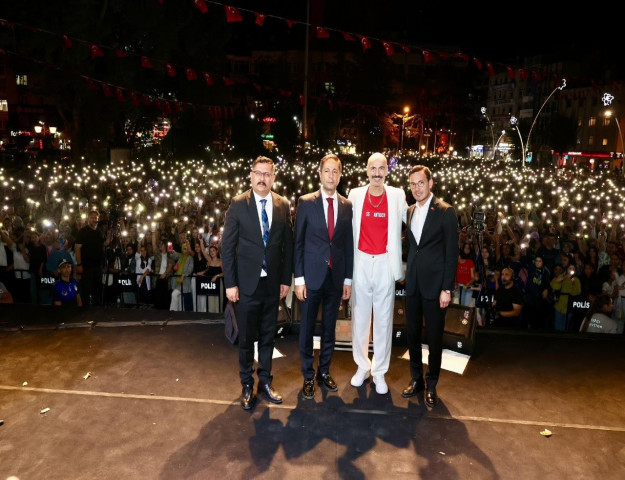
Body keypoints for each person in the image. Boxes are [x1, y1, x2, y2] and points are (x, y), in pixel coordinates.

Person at [221, 155, 293, 411]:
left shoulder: (283, 204)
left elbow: (287, 247)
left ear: (273, 177)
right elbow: (227, 246)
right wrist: (231, 283)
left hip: (272, 284)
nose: (263, 178)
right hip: (246, 285)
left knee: (267, 336)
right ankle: (246, 385)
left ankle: (265, 382)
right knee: (246, 339)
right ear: (251, 175)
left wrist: (286, 279)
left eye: (267, 174)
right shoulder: (238, 204)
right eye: (258, 173)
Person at [293, 154, 354, 400]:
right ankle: (308, 375)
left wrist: (348, 280)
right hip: (311, 279)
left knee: (330, 330)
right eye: (326, 171)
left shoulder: (347, 205)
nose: (331, 176)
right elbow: (298, 243)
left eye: (335, 172)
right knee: (307, 330)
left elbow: (347, 246)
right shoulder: (306, 202)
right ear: (319, 174)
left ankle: (324, 372)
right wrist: (299, 279)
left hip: (335, 279)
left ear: (340, 175)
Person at [347, 152, 407, 396]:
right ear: (366, 170)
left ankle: (379, 372)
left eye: (382, 168)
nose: (377, 173)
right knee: (360, 319)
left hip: (385, 262)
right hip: (360, 261)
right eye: (373, 168)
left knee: (383, 321)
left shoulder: (397, 195)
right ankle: (362, 366)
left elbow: (412, 220)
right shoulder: (355, 194)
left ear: (387, 171)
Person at [402, 165, 458, 407]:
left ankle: (431, 383)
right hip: (413, 285)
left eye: (420, 183)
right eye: (413, 184)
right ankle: (417, 380)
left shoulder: (446, 212)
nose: (416, 188)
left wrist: (447, 288)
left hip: (436, 288)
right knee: (412, 336)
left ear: (431, 183)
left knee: (434, 338)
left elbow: (451, 253)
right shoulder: (410, 211)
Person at [75, 209, 107, 306]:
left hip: (98, 266)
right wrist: (79, 264)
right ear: (88, 219)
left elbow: (102, 244)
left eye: (95, 217)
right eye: (92, 217)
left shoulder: (99, 231)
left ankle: (96, 309)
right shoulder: (82, 231)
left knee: (97, 288)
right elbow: (77, 248)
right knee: (86, 289)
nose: (94, 219)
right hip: (87, 265)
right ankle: (85, 310)